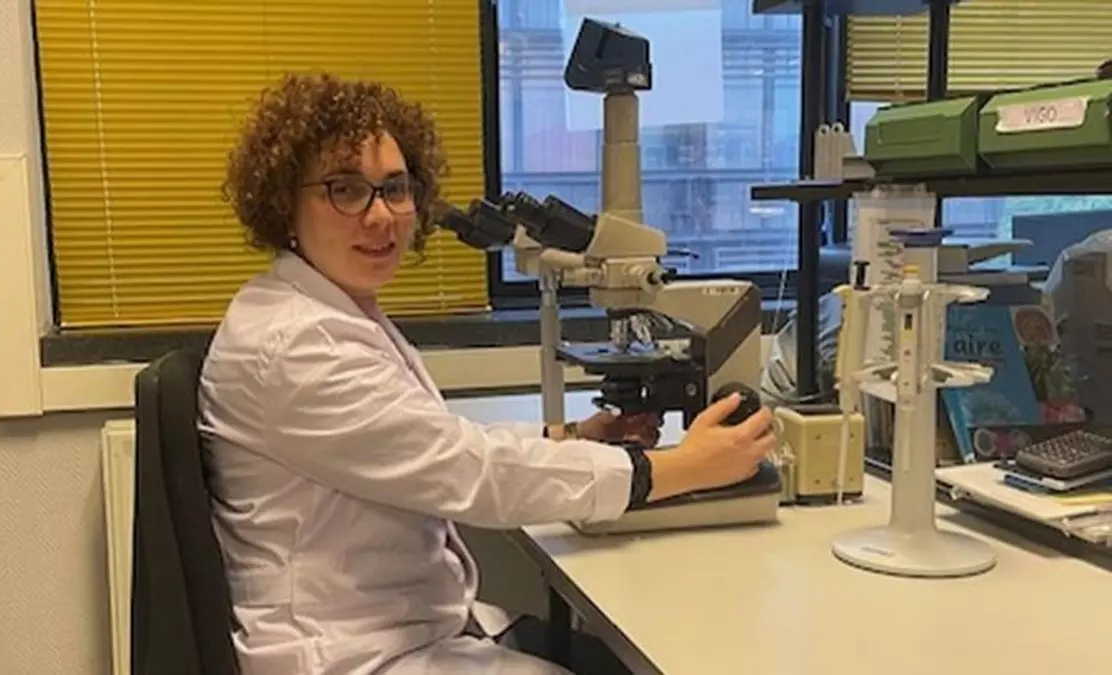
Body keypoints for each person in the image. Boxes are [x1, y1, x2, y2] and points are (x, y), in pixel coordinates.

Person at [198, 72, 777, 675]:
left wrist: (571, 438)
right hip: (352, 654)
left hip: (397, 626)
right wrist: (681, 468)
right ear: (284, 203)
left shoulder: (320, 310)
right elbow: (472, 473)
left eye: (395, 188)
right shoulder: (298, 345)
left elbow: (433, 443)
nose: (381, 216)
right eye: (345, 190)